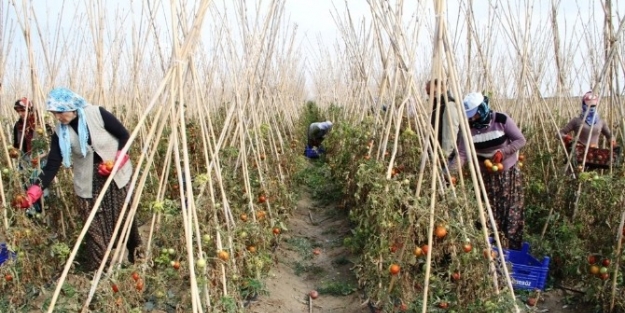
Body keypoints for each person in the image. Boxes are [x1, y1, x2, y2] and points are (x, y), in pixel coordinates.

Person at [17, 87, 143, 271]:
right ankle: (100, 270)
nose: (58, 118)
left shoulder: (97, 114)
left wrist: (118, 159)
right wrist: (34, 190)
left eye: (60, 113)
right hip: (87, 183)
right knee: (94, 228)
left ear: (71, 106)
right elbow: (53, 163)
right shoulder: (60, 132)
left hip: (115, 176)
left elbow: (124, 135)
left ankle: (135, 252)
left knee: (123, 217)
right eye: (54, 114)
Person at [448, 92, 527, 250]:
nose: (472, 119)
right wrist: (450, 172)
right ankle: (493, 248)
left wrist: (502, 152)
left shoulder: (501, 120)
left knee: (510, 209)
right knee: (489, 211)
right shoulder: (467, 128)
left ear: (483, 108)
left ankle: (511, 249)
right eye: (469, 116)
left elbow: (520, 140)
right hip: (486, 175)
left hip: (507, 173)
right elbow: (463, 153)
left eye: (474, 114)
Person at [12, 97, 51, 215]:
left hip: (40, 159)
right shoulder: (17, 126)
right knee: (26, 185)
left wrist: (40, 157)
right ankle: (32, 212)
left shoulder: (41, 124)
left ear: (30, 109)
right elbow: (16, 145)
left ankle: (45, 210)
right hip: (25, 159)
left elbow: (50, 145)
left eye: (23, 110)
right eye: (18, 110)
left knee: (39, 184)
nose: (20, 113)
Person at [426, 79, 460, 161]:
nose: (430, 96)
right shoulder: (436, 106)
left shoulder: (449, 106)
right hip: (436, 151)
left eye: (433, 92)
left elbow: (450, 134)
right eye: (428, 93)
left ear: (441, 88)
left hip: (444, 155)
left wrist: (445, 156)